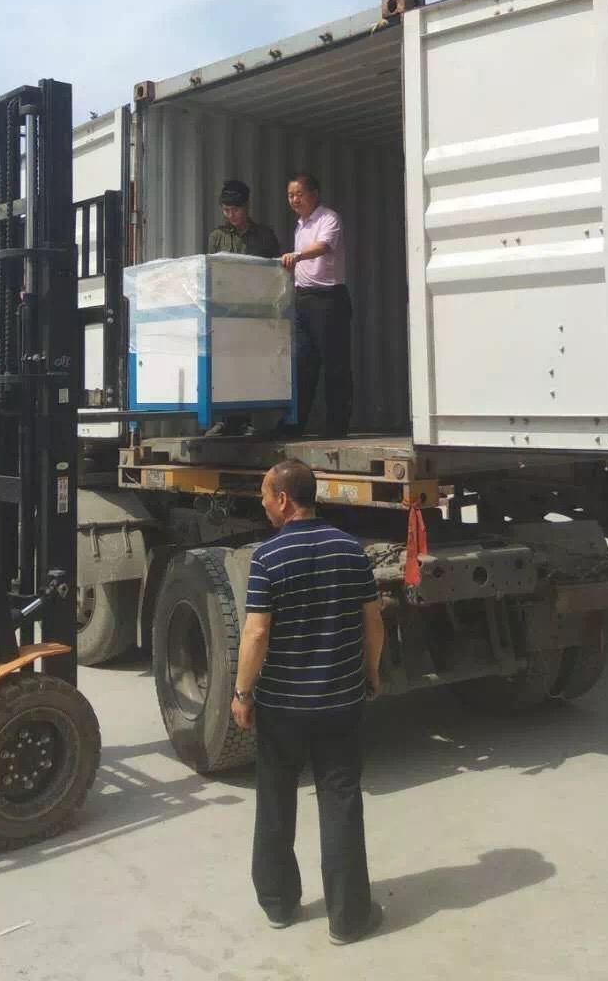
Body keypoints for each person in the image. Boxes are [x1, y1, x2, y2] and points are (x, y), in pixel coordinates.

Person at [232, 460, 385, 945]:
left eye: (264, 495)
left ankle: (279, 904)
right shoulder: (350, 549)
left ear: (282, 499)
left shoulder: (268, 557)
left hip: (282, 707)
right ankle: (348, 918)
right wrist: (372, 671)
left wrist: (242, 693)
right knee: (341, 801)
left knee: (276, 800)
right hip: (340, 700)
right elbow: (373, 622)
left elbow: (256, 633)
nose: (262, 503)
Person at [207, 179, 282, 437]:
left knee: (251, 364)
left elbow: (277, 272)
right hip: (225, 311)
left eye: (235, 210)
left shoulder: (264, 236)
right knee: (226, 364)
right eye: (226, 210)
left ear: (247, 207)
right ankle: (227, 420)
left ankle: (246, 419)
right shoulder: (217, 236)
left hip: (256, 311)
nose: (231, 215)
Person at [281, 173, 352, 437]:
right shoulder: (300, 225)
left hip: (328, 299)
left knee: (335, 364)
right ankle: (295, 424)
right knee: (303, 364)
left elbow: (323, 247)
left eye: (299, 194)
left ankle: (337, 425)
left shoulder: (328, 218)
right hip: (303, 300)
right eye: (290, 195)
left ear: (314, 194)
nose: (294, 200)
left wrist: (297, 255)